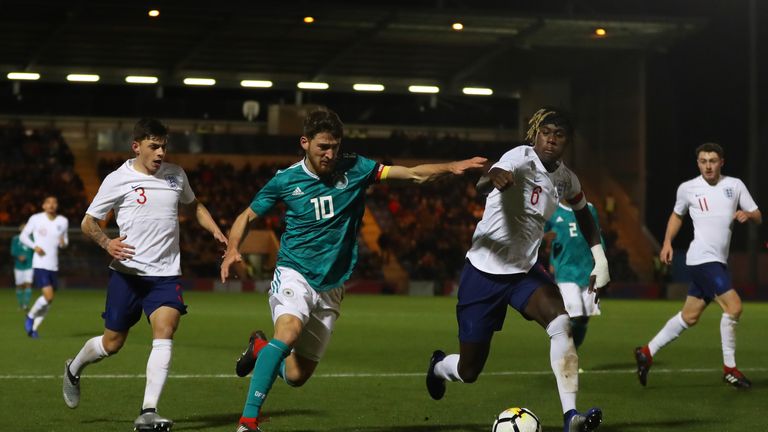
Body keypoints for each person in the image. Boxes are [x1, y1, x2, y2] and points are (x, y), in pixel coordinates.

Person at [220, 107, 486, 432]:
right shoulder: (285, 180)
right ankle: (248, 422)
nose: (330, 154)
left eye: (335, 147)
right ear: (305, 142)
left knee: (296, 375)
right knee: (287, 332)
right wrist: (233, 249)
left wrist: (451, 166)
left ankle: (261, 349)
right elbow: (247, 216)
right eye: (323, 147)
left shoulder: (356, 167)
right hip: (295, 272)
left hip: (332, 284)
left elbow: (411, 174)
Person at [425, 107, 609, 432]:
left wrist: (600, 258)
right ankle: (439, 366)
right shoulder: (520, 157)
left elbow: (583, 213)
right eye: (545, 133)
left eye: (559, 135)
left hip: (524, 272)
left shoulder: (566, 179)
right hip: (484, 271)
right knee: (469, 370)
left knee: (561, 323)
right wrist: (493, 178)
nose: (551, 139)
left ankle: (571, 416)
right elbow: (484, 182)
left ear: (567, 141)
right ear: (536, 135)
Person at [61, 118, 227, 431]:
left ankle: (148, 410)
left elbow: (194, 205)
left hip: (165, 275)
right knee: (112, 343)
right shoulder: (117, 179)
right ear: (136, 147)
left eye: (164, 146)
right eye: (154, 146)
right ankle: (74, 368)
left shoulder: (176, 175)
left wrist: (215, 229)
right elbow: (88, 222)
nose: (161, 152)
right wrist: (107, 243)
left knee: (165, 329)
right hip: (127, 275)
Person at [634, 142, 761, 389]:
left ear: (721, 162)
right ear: (698, 163)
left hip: (717, 261)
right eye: (703, 161)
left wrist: (747, 214)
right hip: (702, 259)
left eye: (712, 161)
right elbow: (677, 215)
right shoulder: (688, 188)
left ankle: (646, 353)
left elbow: (758, 215)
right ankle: (730, 369)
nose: (708, 166)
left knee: (689, 317)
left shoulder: (734, 185)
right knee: (734, 307)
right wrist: (667, 242)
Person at [544, 202, 605, 350]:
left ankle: (572, 352)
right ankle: (564, 352)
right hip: (565, 269)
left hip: (587, 269)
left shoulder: (589, 208)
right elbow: (541, 235)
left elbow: (596, 233)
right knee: (574, 315)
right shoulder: (552, 210)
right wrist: (547, 242)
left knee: (584, 318)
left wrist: (601, 258)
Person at [20, 196, 69, 338]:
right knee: (48, 296)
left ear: (57, 206)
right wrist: (34, 246)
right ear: (43, 206)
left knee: (49, 301)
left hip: (54, 265)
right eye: (48, 202)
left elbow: (65, 242)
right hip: (40, 264)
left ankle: (33, 329)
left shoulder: (63, 221)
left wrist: (63, 243)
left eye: (54, 202)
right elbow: (23, 236)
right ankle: (30, 316)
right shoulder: (36, 219)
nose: (51, 205)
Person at [11, 223, 35, 310]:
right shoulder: (15, 239)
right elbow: (12, 251)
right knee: (19, 285)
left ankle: (26, 305)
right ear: (20, 229)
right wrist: (19, 256)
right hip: (18, 266)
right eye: (22, 228)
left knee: (28, 284)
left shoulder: (32, 239)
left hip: (29, 265)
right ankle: (20, 304)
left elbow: (35, 250)